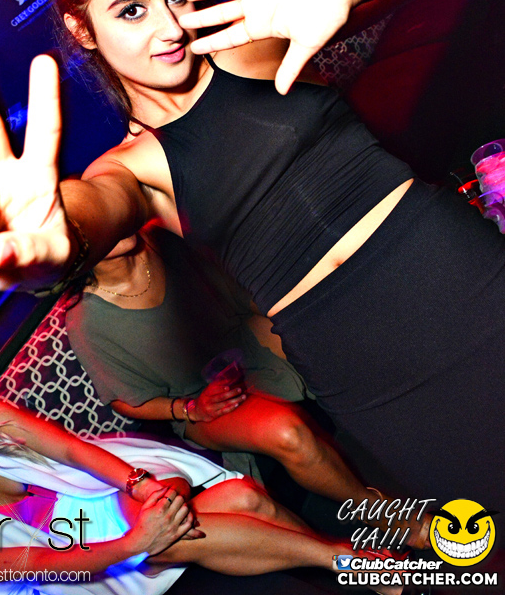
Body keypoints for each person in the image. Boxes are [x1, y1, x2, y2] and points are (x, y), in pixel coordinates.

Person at [0, 0, 502, 514]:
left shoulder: (253, 44)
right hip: (360, 364)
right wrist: (51, 245)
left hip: (458, 277)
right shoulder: (128, 169)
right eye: (132, 10)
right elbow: (92, 209)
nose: (170, 28)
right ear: (82, 30)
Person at [65, 227, 430, 547]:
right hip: (198, 402)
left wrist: (293, 315)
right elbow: (126, 401)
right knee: (288, 433)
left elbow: (240, 291)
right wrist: (191, 409)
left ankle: (426, 440)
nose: (108, 221)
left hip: (244, 339)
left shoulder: (162, 238)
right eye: (88, 225)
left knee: (325, 336)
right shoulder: (87, 321)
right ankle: (381, 514)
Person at [0, 397, 400, 594]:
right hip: (72, 574)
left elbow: (72, 450)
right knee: (241, 501)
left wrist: (142, 485)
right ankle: (344, 560)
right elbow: (38, 563)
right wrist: (135, 543)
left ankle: (345, 564)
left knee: (239, 502)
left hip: (102, 490)